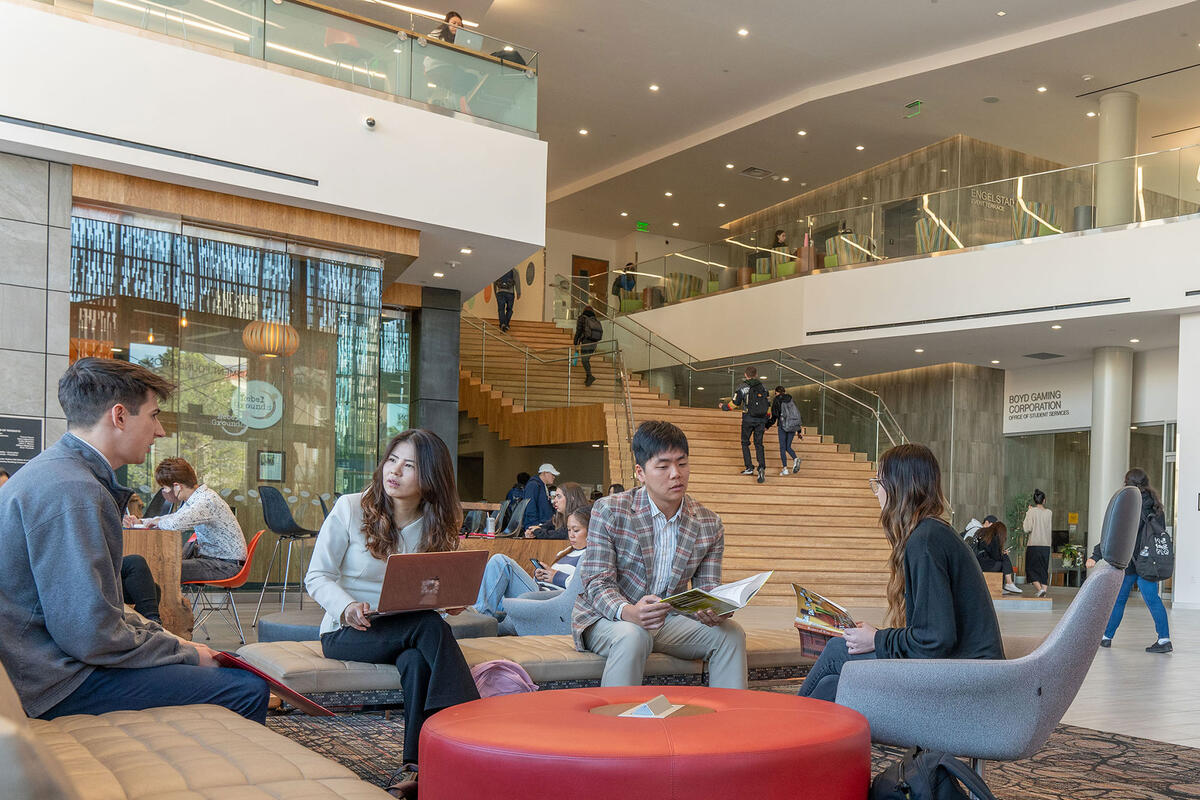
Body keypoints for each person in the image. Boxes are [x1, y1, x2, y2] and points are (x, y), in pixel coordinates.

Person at [0, 357, 268, 722]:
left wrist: (174, 643)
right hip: (54, 682)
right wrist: (185, 653)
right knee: (246, 688)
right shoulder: (74, 492)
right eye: (154, 415)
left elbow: (94, 616)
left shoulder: (56, 472)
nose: (160, 431)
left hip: (39, 667)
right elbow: (90, 636)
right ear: (120, 416)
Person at [305, 428, 480, 798]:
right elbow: (317, 576)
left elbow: (433, 594)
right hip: (347, 632)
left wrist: (450, 601)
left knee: (417, 659)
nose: (394, 471)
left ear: (430, 478)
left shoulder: (437, 526)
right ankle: (470, 726)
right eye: (392, 460)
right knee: (427, 627)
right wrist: (347, 606)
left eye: (409, 465)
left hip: (407, 630)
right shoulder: (351, 508)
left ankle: (414, 767)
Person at [798, 443, 1004, 702]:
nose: (876, 493)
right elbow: (934, 634)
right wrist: (874, 637)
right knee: (834, 680)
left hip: (965, 683)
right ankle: (804, 732)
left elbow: (935, 640)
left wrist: (877, 639)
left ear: (898, 487)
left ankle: (789, 726)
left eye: (879, 483)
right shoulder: (933, 533)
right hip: (969, 673)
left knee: (838, 651)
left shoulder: (925, 541)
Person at [574, 420, 747, 689]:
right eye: (664, 466)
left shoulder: (708, 523)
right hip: (608, 617)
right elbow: (597, 582)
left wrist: (712, 609)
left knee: (730, 635)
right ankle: (616, 727)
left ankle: (730, 725)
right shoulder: (609, 510)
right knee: (634, 635)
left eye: (682, 463)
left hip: (667, 620)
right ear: (641, 473)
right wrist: (628, 611)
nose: (676, 474)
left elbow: (705, 590)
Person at [125, 457, 248, 582]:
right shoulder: (196, 498)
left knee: (162, 567)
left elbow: (175, 525)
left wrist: (154, 522)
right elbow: (174, 517)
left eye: (164, 488)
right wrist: (141, 522)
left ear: (177, 486)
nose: (164, 492)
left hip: (226, 565)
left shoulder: (205, 501)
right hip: (215, 561)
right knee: (160, 565)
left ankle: (167, 602)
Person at [1091, 468, 1172, 653]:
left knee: (1119, 599)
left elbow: (1115, 532)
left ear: (1128, 483)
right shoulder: (1156, 506)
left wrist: (1096, 554)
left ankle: (1106, 637)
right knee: (1153, 599)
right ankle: (1164, 639)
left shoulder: (1129, 503)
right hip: (1148, 561)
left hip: (1130, 560)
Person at [475, 504, 591, 620]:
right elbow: (550, 580)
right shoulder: (564, 552)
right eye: (569, 530)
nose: (571, 535)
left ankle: (478, 618)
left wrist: (556, 576)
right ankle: (482, 616)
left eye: (576, 530)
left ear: (591, 531)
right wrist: (540, 576)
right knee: (493, 589)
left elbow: (584, 587)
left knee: (501, 562)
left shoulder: (590, 556)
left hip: (549, 601)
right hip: (538, 592)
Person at [424, 11, 473, 114]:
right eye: (454, 23)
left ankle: (456, 101)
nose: (456, 26)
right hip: (436, 67)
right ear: (447, 23)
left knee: (471, 78)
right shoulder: (438, 33)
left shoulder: (460, 41)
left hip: (450, 68)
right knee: (459, 77)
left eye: (459, 25)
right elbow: (428, 43)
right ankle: (458, 103)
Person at [731, 366, 770, 483]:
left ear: (746, 375)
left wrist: (723, 407)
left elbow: (734, 403)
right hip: (761, 421)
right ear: (756, 374)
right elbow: (768, 405)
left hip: (748, 419)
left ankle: (749, 467)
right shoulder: (764, 387)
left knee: (745, 443)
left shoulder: (742, 387)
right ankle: (761, 467)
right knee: (759, 444)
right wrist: (766, 421)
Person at [974, 521, 1022, 594]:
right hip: (985, 566)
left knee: (1002, 561)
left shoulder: (983, 533)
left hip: (978, 563)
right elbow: (995, 556)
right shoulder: (994, 537)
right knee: (1004, 559)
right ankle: (1009, 583)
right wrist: (1002, 554)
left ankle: (1003, 586)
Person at [765, 385, 803, 476]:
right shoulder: (791, 400)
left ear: (776, 392)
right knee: (788, 446)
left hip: (782, 426)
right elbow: (796, 415)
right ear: (784, 392)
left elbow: (774, 416)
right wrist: (799, 431)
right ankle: (795, 459)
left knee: (783, 447)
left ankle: (785, 469)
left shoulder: (777, 399)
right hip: (793, 426)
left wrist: (767, 426)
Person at [1022, 489, 1052, 597]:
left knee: (1030, 568)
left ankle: (1040, 589)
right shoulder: (1049, 513)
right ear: (1044, 500)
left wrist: (1028, 513)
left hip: (1034, 545)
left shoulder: (1031, 511)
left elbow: (1027, 528)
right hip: (1046, 545)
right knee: (1043, 568)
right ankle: (1043, 589)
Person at [521, 463, 558, 528]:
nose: (554, 477)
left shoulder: (543, 487)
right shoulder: (533, 485)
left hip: (543, 525)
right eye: (552, 474)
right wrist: (535, 525)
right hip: (537, 526)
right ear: (544, 473)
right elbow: (530, 506)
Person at [574, 305, 603, 387]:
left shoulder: (582, 318)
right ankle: (588, 377)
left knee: (584, 360)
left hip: (586, 341)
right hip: (594, 342)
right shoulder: (595, 319)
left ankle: (590, 376)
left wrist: (575, 342)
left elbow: (578, 331)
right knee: (586, 359)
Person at [493, 268, 519, 332]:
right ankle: (506, 324)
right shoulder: (514, 270)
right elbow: (517, 281)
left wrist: (495, 292)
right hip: (510, 293)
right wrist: (519, 292)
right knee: (509, 309)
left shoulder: (498, 270)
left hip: (500, 292)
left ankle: (502, 324)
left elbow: (494, 281)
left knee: (501, 309)